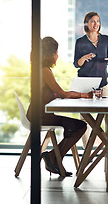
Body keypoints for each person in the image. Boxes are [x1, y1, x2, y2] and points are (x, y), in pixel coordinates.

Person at [26, 36, 93, 177]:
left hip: (42, 114)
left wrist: (78, 95)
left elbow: (57, 93)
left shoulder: (42, 69)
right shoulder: (44, 71)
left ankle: (54, 157)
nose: (58, 55)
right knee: (80, 126)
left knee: (75, 126)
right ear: (50, 54)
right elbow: (62, 93)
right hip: (39, 116)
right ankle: (53, 157)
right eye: (56, 52)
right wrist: (84, 95)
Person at [73, 11, 108, 156]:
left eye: (98, 21)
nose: (96, 24)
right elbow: (76, 64)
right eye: (92, 21)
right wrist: (83, 58)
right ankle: (87, 150)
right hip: (84, 83)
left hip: (102, 83)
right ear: (86, 24)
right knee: (85, 118)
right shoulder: (80, 42)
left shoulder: (106, 40)